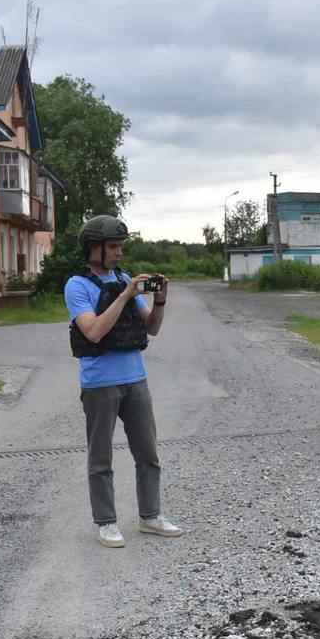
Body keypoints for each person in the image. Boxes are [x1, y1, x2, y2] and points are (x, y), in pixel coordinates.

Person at [64, 214, 184, 547]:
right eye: (113, 247)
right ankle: (106, 522)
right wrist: (125, 293)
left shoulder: (125, 280)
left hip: (136, 380)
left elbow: (152, 327)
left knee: (148, 453)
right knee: (100, 457)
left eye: (120, 246)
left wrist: (159, 301)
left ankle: (150, 516)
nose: (119, 253)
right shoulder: (77, 286)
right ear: (94, 248)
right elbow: (94, 330)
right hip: (100, 383)